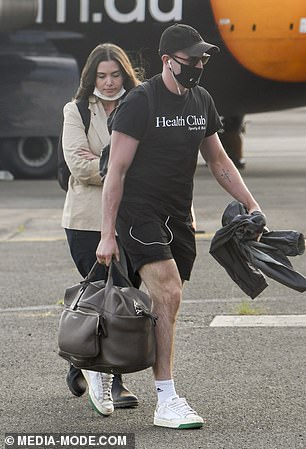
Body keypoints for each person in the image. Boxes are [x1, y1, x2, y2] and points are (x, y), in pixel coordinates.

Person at [96, 23, 262, 429]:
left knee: (162, 304)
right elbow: (115, 172)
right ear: (168, 61)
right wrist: (106, 234)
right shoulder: (140, 102)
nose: (200, 65)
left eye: (203, 58)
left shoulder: (201, 100)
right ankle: (166, 399)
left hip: (178, 216)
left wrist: (252, 204)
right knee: (167, 292)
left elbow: (219, 161)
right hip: (139, 213)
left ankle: (102, 363)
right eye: (192, 59)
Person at [61, 42, 141, 416]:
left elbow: (153, 157)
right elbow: (78, 163)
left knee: (125, 297)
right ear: (91, 77)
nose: (109, 83)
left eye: (115, 75)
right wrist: (123, 167)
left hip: (133, 218)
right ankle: (112, 378)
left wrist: (106, 162)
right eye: (101, 76)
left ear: (125, 74)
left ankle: (81, 364)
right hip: (86, 221)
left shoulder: (139, 104)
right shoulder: (75, 110)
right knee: (105, 299)